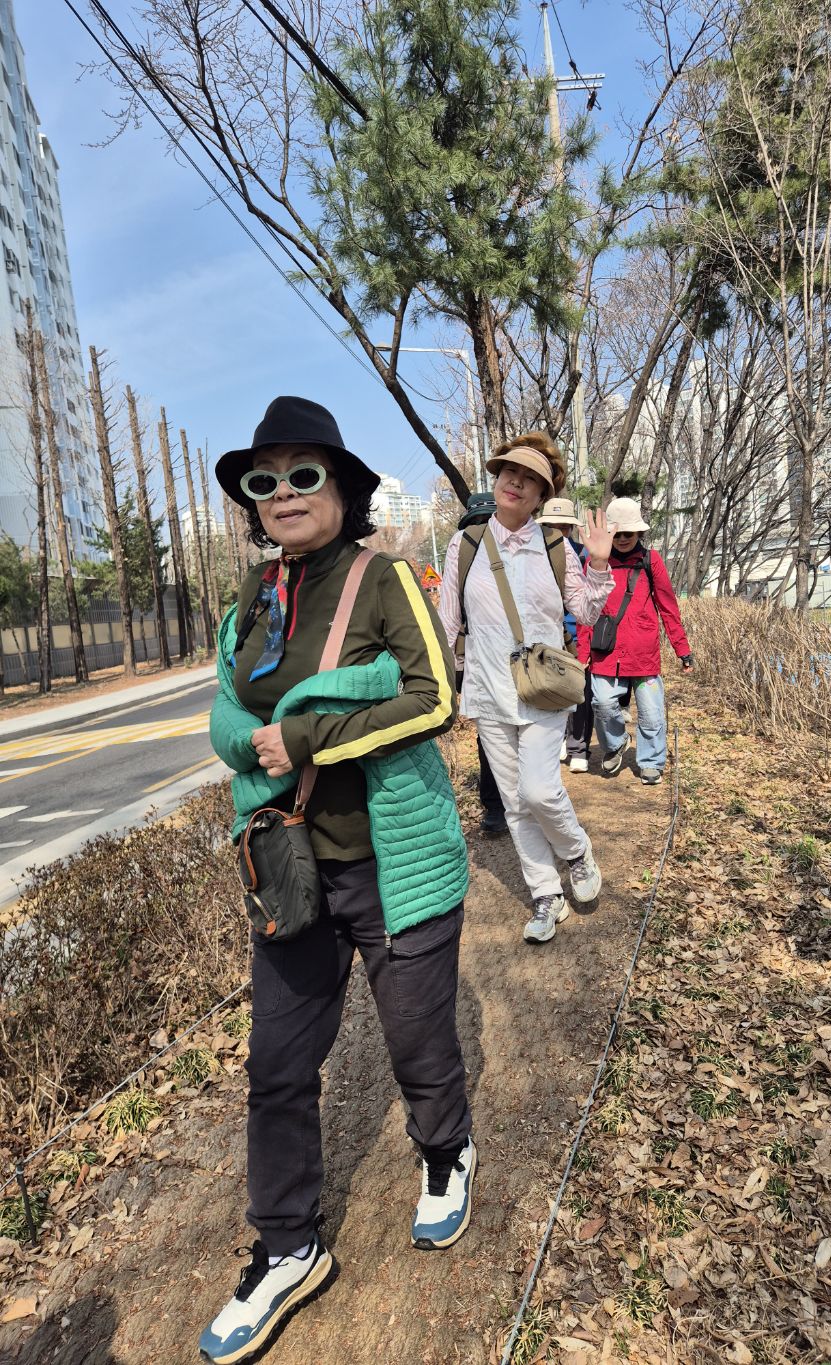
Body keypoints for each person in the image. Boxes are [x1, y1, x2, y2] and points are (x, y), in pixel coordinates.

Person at [202, 397, 474, 1364]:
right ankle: (288, 1244)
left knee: (417, 1040)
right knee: (276, 1065)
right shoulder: (252, 597)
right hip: (289, 867)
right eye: (263, 479)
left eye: (302, 473)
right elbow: (226, 712)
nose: (282, 492)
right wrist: (255, 741)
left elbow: (434, 697)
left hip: (393, 862)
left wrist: (308, 730)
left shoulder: (384, 576)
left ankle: (446, 1151)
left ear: (343, 487)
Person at [438, 431, 616, 945]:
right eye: (508, 472)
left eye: (529, 479)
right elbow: (447, 621)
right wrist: (434, 680)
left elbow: (585, 612)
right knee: (515, 803)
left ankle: (577, 852)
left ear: (541, 494)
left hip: (541, 688)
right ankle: (546, 894)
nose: (515, 482)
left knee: (539, 789)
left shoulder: (555, 547)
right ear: (496, 479)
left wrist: (598, 564)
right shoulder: (465, 545)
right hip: (488, 689)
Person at [576, 496, 693, 787]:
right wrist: (582, 653)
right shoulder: (595, 562)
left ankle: (651, 761)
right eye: (617, 533)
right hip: (606, 651)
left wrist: (682, 649)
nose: (623, 539)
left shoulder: (651, 560)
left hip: (644, 653)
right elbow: (585, 610)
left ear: (639, 532)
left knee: (651, 714)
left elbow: (668, 606)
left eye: (629, 532)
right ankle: (616, 744)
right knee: (602, 704)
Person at [456, 492, 509, 837]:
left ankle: (521, 800)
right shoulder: (459, 556)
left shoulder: (522, 552)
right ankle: (495, 805)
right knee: (489, 736)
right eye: (474, 524)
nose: (480, 530)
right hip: (476, 660)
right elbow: (450, 616)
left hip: (520, 661)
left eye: (487, 522)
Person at [535, 496, 594, 774]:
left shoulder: (584, 555)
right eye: (552, 527)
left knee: (580, 692)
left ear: (571, 529)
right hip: (543, 637)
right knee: (549, 691)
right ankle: (557, 739)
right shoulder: (532, 555)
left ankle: (578, 747)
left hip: (577, 634)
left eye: (564, 527)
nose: (558, 532)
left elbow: (590, 602)